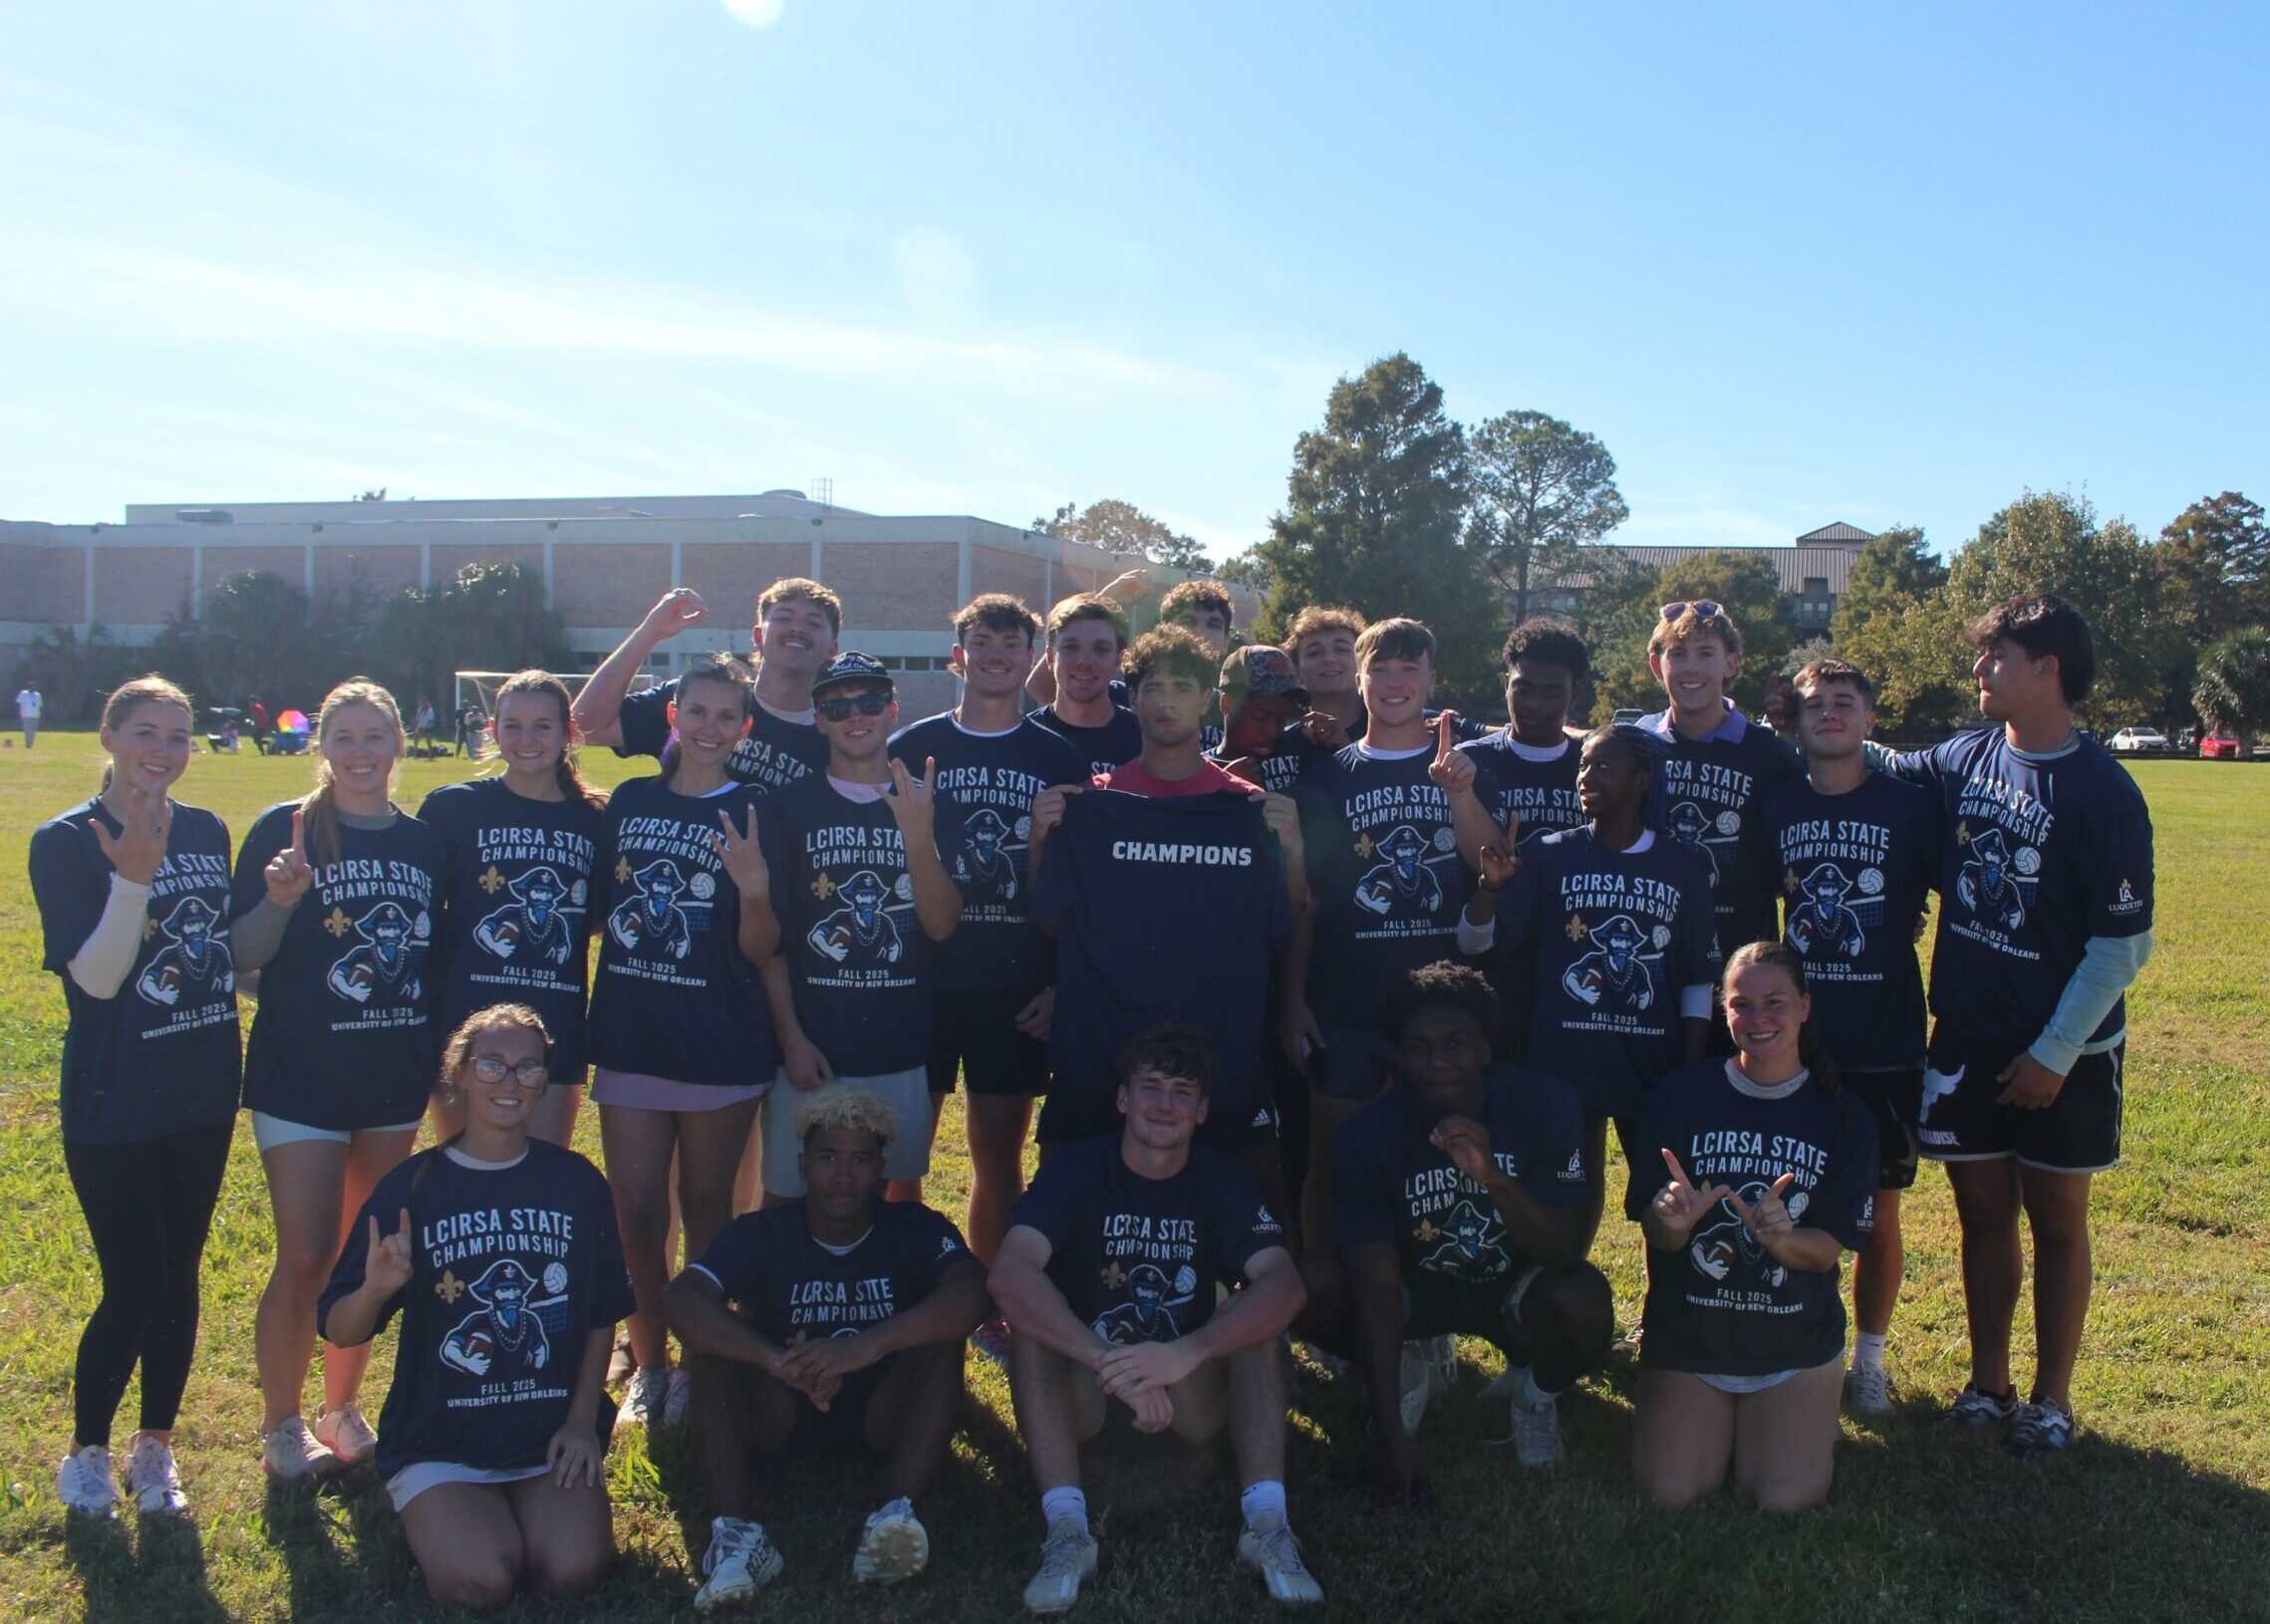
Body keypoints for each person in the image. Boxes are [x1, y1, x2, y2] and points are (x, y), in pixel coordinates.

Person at [1884, 594, 2154, 1455]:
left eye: (1995, 655)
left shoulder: (2104, 791)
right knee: (1982, 1214)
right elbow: (1886, 763)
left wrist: (2054, 1053)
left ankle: (2051, 1400)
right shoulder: (1967, 754)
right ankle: (1989, 1384)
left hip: (2063, 1054)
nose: (1979, 669)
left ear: (2049, 670)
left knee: (2058, 1220)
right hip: (1967, 1037)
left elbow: (2120, 946)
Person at [990, 1024, 1321, 1612]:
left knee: (1258, 1322)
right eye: (1151, 1087)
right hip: (1093, 1384)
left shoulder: (1221, 1178)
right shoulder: (1077, 1169)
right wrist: (1104, 1358)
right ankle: (1068, 1530)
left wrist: (1185, 1353)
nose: (1164, 1104)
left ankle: (1267, 1522)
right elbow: (1009, 1275)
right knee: (1032, 1330)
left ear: (1202, 1110)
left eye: (1181, 1091)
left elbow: (1284, 1283)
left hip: (1186, 1388)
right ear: (1122, 1099)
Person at [319, 1004, 631, 1610]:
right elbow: (338, 1325)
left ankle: (518, 1510)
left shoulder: (577, 1184)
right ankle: (437, 1511)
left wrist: (580, 1422)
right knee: (481, 1582)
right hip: (443, 1441)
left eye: (527, 1069)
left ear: (546, 1080)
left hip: (544, 1438)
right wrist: (375, 1290)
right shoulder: (412, 1187)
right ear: (459, 1075)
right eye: (492, 1065)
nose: (510, 1084)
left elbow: (600, 1313)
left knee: (575, 1569)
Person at [31, 677, 241, 1516]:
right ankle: (85, 1451)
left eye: (180, 735)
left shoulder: (207, 828)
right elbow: (99, 979)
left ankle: (154, 1447)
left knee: (181, 1276)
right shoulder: (64, 841)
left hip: (200, 1088)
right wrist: (133, 879)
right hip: (114, 1098)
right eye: (147, 732)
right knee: (134, 1282)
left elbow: (219, 958)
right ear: (112, 736)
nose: (164, 750)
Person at [230, 678, 445, 1481]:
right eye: (343, 738)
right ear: (321, 746)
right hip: (301, 1077)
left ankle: (341, 1407)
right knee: (308, 1253)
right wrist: (282, 901)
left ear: (398, 744)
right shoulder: (285, 830)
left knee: (370, 1253)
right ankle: (282, 1424)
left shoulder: (424, 843)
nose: (360, 753)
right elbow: (242, 955)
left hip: (391, 1078)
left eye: (373, 737)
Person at [665, 1085, 988, 1606]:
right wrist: (771, 1358)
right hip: (783, 1402)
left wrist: (867, 1344)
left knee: (941, 1340)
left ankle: (895, 1516)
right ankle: (738, 1537)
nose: (843, 1175)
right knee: (711, 1345)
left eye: (859, 1160)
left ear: (882, 1167)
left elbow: (974, 1292)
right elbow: (681, 1302)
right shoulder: (763, 1232)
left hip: (881, 1409)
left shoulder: (911, 1226)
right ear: (802, 1165)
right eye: (828, 1158)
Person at [1301, 963, 1608, 1497]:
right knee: (1308, 1285)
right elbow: (1376, 1288)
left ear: (1485, 1049)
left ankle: (1535, 1394)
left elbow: (1563, 1248)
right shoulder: (1366, 1138)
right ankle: (1405, 1373)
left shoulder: (1546, 1104)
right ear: (1398, 1058)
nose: (1438, 1061)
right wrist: (1391, 1440)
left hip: (1515, 1286)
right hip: (1417, 1288)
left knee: (1585, 1301)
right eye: (1418, 1047)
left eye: (1454, 1043)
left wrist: (1494, 1178)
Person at [1025, 626, 1305, 1205]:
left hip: (1214, 1063)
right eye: (1154, 687)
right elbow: (1051, 921)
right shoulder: (1092, 801)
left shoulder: (1245, 807)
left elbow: (1287, 920)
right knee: (1069, 1214)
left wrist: (1294, 850)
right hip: (1099, 1061)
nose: (1169, 700)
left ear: (1207, 701)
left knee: (1236, 1230)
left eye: (1185, 687)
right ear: (1135, 698)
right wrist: (1038, 841)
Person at [587, 655, 780, 1432]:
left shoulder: (760, 808)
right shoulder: (631, 799)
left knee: (708, 1212)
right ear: (674, 718)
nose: (708, 727)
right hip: (633, 1038)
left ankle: (702, 1365)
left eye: (724, 716)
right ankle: (651, 1365)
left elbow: (765, 947)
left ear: (745, 727)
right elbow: (603, 911)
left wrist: (756, 887)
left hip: (719, 1044)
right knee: (636, 1216)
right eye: (695, 713)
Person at [1627, 944, 1878, 1511]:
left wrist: (1783, 1239)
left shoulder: (1844, 1117)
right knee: (1669, 1492)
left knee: (1784, 1497)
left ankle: (1795, 1421)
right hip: (1692, 1338)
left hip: (1791, 1343)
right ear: (1724, 1009)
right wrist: (1673, 1223)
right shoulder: (1680, 1097)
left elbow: (1826, 1252)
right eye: (1742, 1004)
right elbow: (1659, 1235)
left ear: (1805, 1007)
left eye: (1776, 1002)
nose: (1759, 1019)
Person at [1282, 618, 1504, 1250]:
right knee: (1332, 1154)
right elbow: (1308, 901)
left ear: (1433, 679)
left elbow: (1489, 862)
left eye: (1410, 668)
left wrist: (1459, 793)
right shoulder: (1328, 780)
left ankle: (1421, 1306)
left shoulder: (1466, 767)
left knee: (1437, 1164)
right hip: (1346, 1003)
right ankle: (1326, 1298)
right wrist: (1294, 999)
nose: (1395, 682)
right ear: (1359, 678)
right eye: (1381, 668)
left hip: (1442, 1009)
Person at [888, 598, 1087, 1295]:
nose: (996, 651)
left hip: (1015, 985)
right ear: (957, 656)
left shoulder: (1058, 756)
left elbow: (1075, 891)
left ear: (1032, 658)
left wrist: (1060, 982)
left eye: (1012, 641)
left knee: (998, 1156)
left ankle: (995, 1298)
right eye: (981, 640)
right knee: (903, 1155)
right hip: (921, 979)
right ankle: (905, 1287)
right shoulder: (912, 748)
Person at [1761, 658, 1938, 1415]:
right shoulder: (1776, 807)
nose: (1828, 713)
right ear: (1795, 722)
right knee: (1787, 1196)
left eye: (1844, 702)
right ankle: (1791, 1342)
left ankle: (1869, 1361)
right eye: (1814, 704)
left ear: (1869, 718)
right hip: (1797, 1039)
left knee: (1880, 1208)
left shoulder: (1910, 806)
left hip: (1886, 1036)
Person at [1459, 726, 1719, 1240]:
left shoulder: (1681, 863)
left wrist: (1688, 1069)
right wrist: (1490, 886)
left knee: (1663, 1196)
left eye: (1603, 766)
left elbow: (1695, 979)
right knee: (1568, 1193)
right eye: (1582, 766)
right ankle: (1563, 1291)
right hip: (1564, 1060)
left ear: (1642, 780)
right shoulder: (1549, 853)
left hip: (1651, 1063)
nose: (1585, 777)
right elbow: (1473, 943)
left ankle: (1656, 1313)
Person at [757, 653, 967, 1205]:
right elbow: (771, 941)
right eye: (838, 705)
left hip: (896, 1046)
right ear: (819, 719)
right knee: (787, 1199)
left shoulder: (926, 798)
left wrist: (918, 836)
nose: (856, 715)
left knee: (892, 1205)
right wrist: (792, 1040)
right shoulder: (787, 805)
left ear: (892, 711)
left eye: (870, 702)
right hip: (810, 1051)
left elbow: (942, 926)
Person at [418, 671, 608, 1149]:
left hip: (555, 1028)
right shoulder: (452, 808)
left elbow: (599, 915)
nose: (528, 739)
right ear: (491, 729)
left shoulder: (595, 818)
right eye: (513, 726)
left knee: (539, 1172)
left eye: (543, 726)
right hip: (463, 1025)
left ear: (568, 732)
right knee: (465, 1173)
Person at [1637, 601, 1803, 962]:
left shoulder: (1770, 755)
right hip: (1653, 949)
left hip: (1742, 960)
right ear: (1656, 664)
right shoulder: (1637, 745)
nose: (1691, 667)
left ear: (1731, 663)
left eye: (1706, 652)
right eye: (1678, 653)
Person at [1458, 619, 1591, 1062]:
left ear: (1574, 694)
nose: (1534, 703)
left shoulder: (1596, 766)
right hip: (1489, 966)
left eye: (1552, 693)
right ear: (1505, 683)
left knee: (1574, 1112)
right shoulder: (1469, 764)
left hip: (1575, 962)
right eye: (1523, 687)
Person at [574, 579, 839, 793]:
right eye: (784, 617)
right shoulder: (701, 699)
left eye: (813, 623)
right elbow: (584, 726)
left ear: (832, 649)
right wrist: (650, 632)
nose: (797, 628)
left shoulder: (840, 733)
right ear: (758, 635)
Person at [1027, 594, 1144, 776]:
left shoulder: (1146, 741)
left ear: (1119, 660)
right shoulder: (1022, 739)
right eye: (1071, 647)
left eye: (1101, 649)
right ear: (1050, 657)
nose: (1085, 661)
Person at [1204, 644, 1314, 795]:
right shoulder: (1199, 771)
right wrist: (1222, 784)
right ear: (1226, 704)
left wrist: (1342, 745)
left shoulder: (1302, 746)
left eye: (1282, 719)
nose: (1272, 731)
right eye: (1259, 717)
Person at [17, 680, 43, 748]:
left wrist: (39, 714)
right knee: (28, 730)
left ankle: (30, 744)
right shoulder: (23, 693)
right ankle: (28, 744)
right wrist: (21, 712)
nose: (32, 688)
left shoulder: (38, 695)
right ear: (28, 687)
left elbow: (39, 706)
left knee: (33, 731)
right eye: (31, 687)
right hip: (26, 715)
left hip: (35, 715)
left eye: (33, 687)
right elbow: (20, 703)